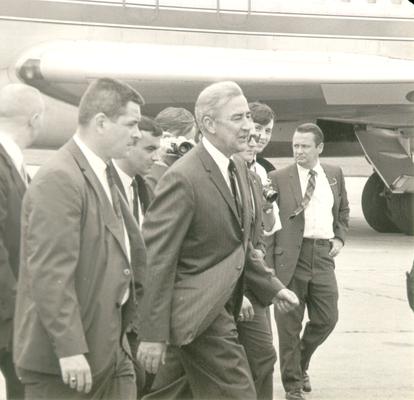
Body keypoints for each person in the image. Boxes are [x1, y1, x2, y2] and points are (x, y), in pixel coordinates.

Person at [137, 81, 298, 399]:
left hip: (222, 305)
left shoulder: (236, 166)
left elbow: (238, 247)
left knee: (174, 392)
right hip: (198, 312)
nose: (249, 127)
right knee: (237, 393)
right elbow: (156, 258)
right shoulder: (184, 178)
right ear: (208, 124)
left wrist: (272, 286)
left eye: (248, 116)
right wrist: (152, 334)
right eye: (237, 118)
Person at [13, 78, 147, 400]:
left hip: (109, 349)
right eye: (131, 124)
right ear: (101, 122)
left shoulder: (103, 172)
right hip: (69, 362)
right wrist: (70, 350)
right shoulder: (61, 177)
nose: (138, 134)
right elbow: (50, 274)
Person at [268, 122, 350, 400]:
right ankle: (293, 386)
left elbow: (343, 210)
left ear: (319, 148)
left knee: (327, 318)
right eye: (295, 146)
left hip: (323, 256)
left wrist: (339, 238)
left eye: (304, 146)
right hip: (291, 257)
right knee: (289, 325)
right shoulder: (278, 177)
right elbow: (268, 223)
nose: (298, 151)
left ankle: (300, 362)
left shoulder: (334, 174)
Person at [236, 131, 291, 400]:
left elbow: (266, 230)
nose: (253, 144)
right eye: (246, 139)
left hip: (253, 280)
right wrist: (239, 293)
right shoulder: (217, 179)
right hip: (230, 285)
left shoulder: (256, 178)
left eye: (256, 140)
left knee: (264, 357)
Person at [0, 83, 44, 400]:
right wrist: (17, 312)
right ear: (35, 119)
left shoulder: (13, 164)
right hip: (9, 315)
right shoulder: (4, 166)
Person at [113, 115, 162, 221]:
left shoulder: (145, 187)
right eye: (150, 149)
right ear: (128, 144)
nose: (156, 158)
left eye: (157, 150)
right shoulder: (103, 184)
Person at [145, 107, 196, 192]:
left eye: (188, 144)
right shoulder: (146, 167)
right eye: (182, 143)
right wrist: (159, 162)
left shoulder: (187, 168)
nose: (184, 149)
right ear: (164, 137)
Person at [249, 101, 276, 175]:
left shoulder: (268, 169)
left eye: (268, 131)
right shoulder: (228, 164)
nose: (263, 137)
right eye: (257, 128)